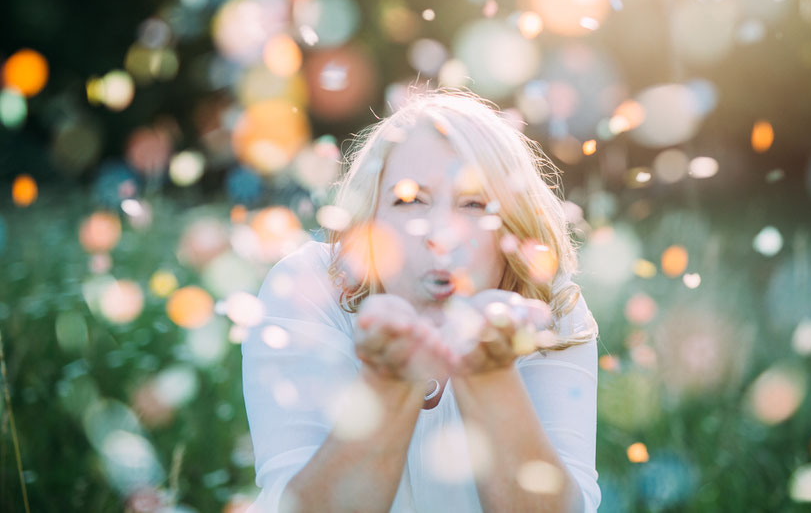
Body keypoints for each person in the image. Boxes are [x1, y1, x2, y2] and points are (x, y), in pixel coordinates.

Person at [242, 89, 600, 512]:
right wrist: (390, 381)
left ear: (511, 230)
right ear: (370, 219)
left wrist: (489, 374)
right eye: (410, 200)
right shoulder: (309, 287)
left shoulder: (549, 308)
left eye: (473, 203)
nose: (441, 232)